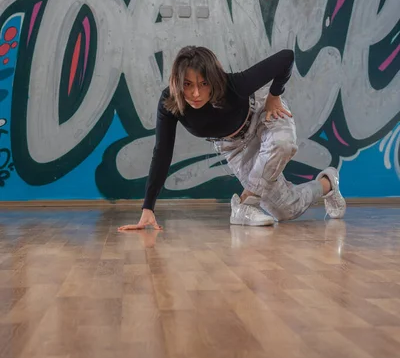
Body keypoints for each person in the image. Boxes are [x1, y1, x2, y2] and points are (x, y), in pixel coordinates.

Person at [118, 46, 346, 232]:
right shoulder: (170, 102)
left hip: (262, 116)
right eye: (188, 85)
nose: (195, 94)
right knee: (286, 210)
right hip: (234, 146)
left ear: (213, 82)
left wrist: (274, 95)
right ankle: (328, 184)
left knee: (283, 143)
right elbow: (162, 152)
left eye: (203, 84)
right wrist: (148, 207)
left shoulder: (233, 85)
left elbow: (286, 57)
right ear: (178, 83)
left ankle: (245, 204)